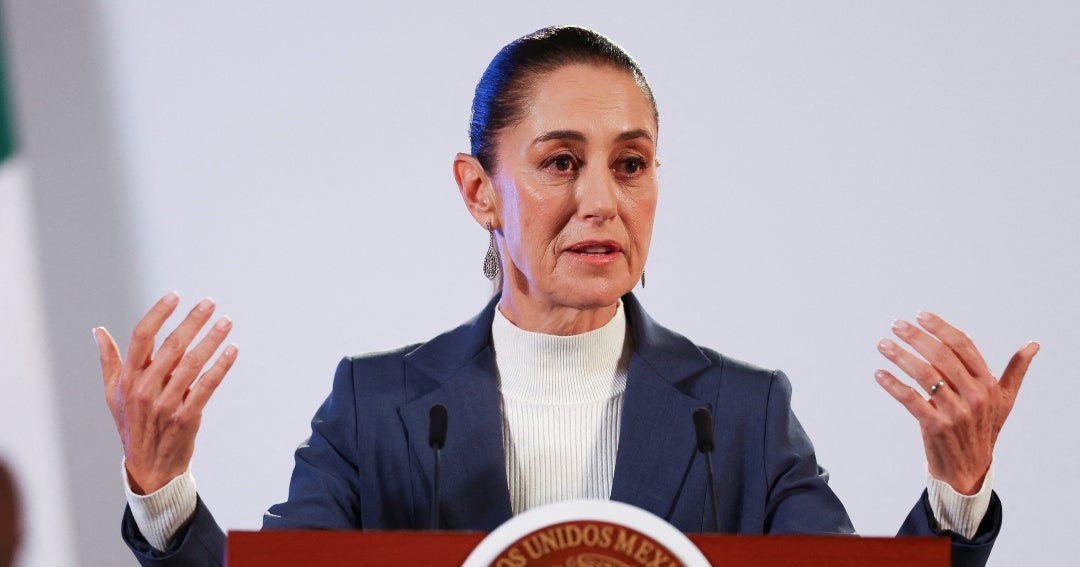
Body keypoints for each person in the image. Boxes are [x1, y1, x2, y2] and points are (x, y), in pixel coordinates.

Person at [93, 26, 1039, 567]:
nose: (602, 202)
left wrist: (955, 495)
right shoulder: (375, 409)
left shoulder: (743, 414)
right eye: (559, 162)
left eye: (630, 164)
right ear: (478, 191)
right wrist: (165, 490)